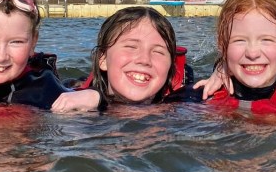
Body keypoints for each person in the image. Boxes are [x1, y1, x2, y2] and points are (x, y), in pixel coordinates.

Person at [191, 0, 276, 114]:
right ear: (222, 45)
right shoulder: (195, 100)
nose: (252, 54)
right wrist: (221, 65)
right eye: (239, 40)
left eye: (266, 40)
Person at [51, 6, 180, 112]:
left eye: (158, 52)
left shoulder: (186, 106)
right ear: (102, 59)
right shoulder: (71, 97)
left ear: (170, 67)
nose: (144, 59)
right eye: (131, 47)